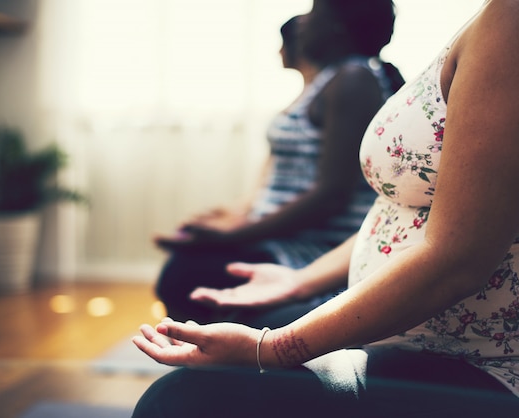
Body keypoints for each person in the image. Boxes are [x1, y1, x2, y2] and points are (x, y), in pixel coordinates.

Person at [132, 0, 519, 416]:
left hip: (501, 368)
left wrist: (269, 348)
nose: (305, 19)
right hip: (424, 339)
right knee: (215, 336)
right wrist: (298, 281)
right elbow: (422, 213)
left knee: (184, 400)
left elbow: (457, 260)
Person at [153, 9, 404, 327]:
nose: (302, 21)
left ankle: (213, 364)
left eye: (314, 11)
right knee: (187, 267)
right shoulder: (334, 79)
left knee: (187, 274)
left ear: (337, 28)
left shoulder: (354, 78)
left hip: (316, 249)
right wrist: (232, 225)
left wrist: (230, 236)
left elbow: (332, 196)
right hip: (289, 239)